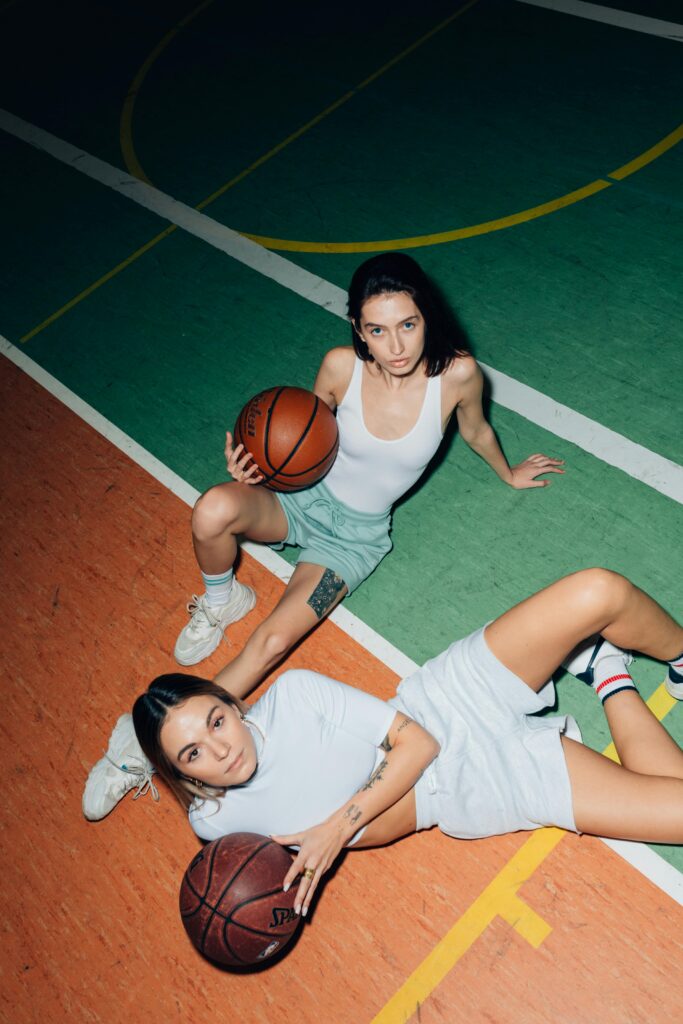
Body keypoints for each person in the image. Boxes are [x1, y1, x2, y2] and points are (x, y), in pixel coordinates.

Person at [82, 252, 563, 820]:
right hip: (299, 499)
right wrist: (257, 468)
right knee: (212, 508)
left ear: (427, 316)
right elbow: (304, 435)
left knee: (271, 643)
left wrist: (507, 472)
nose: (397, 346)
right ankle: (222, 597)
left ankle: (139, 747)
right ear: (358, 329)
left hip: (351, 541)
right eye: (377, 330)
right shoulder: (340, 366)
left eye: (408, 324)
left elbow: (477, 428)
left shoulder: (457, 374)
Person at [95, 568, 682, 920]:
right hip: (473, 789)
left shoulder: (296, 694)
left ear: (233, 704)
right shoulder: (217, 827)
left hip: (449, 699)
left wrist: (337, 826)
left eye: (216, 722)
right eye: (193, 753)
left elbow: (418, 742)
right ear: (185, 776)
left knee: (598, 590)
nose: (219, 750)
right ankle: (607, 672)